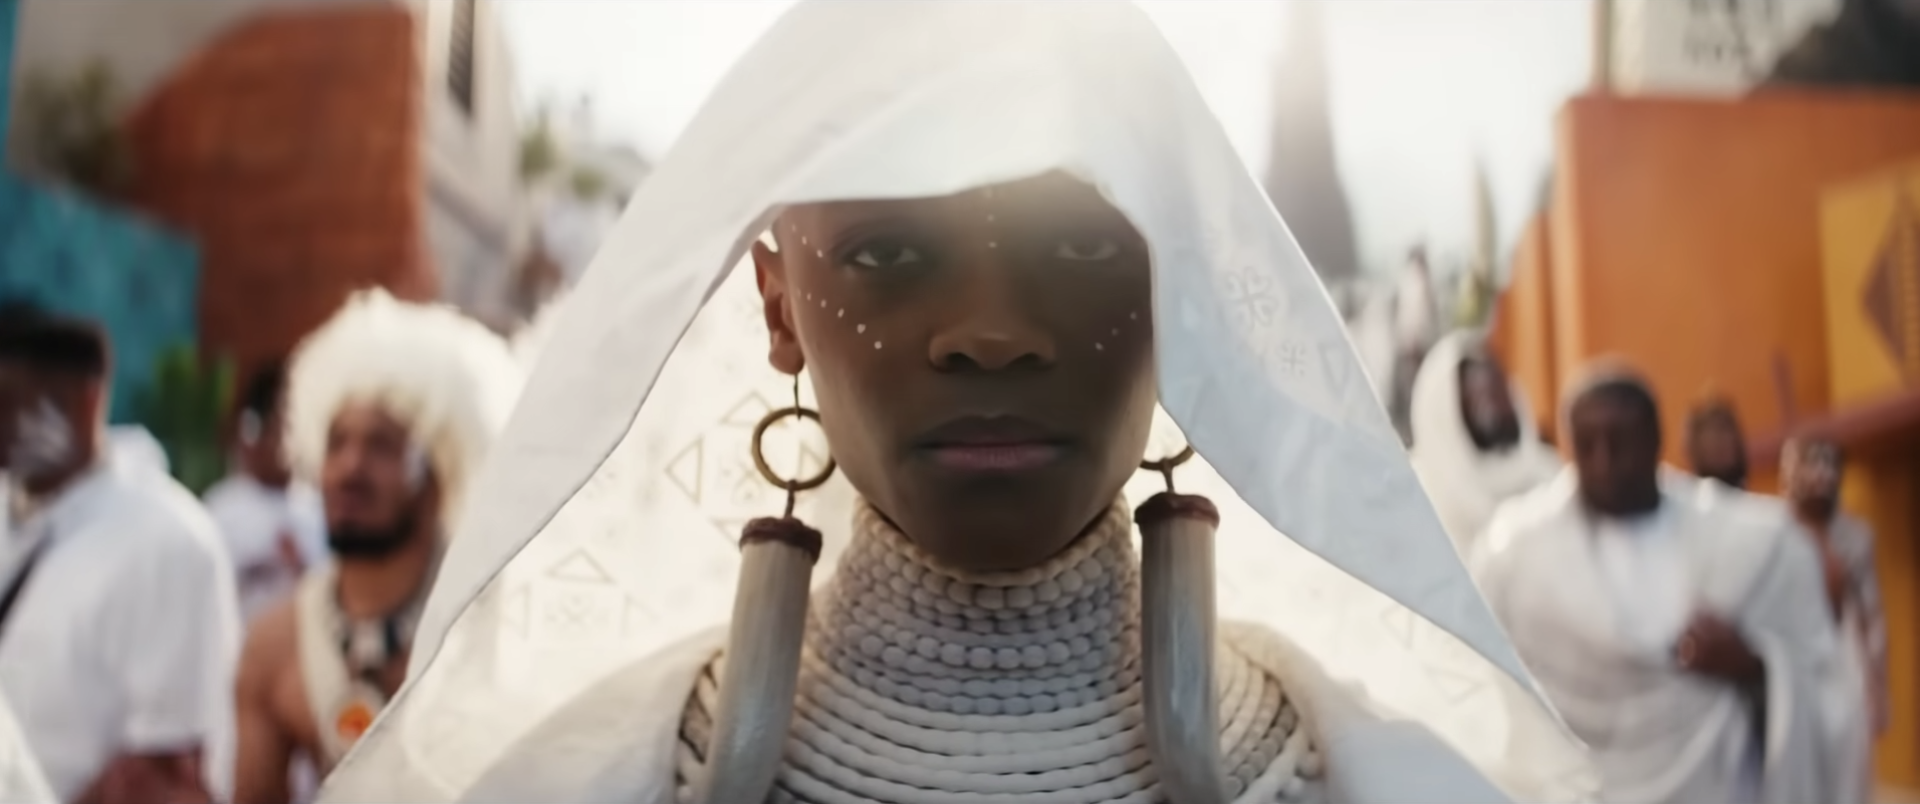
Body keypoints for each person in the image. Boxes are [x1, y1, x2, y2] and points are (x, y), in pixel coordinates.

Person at [317, 3, 1595, 802]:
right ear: (777, 309)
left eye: (1088, 249)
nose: (991, 332)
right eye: (885, 255)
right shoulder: (568, 781)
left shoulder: (1389, 779)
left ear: (1186, 299)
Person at [1476, 365, 1843, 804]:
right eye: (1587, 444)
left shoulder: (1747, 549)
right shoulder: (1516, 558)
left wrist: (1752, 664)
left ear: (1655, 438)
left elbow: (1826, 686)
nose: (1604, 461)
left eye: (1620, 441)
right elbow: (1485, 696)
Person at [230, 290, 523, 804]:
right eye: (337, 443)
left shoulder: (494, 631)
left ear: (436, 478)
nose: (349, 467)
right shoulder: (272, 648)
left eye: (382, 445)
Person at [0, 307, 240, 803]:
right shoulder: (13, 507)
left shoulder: (168, 541)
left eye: (9, 405)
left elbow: (167, 773)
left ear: (86, 404)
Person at [1781, 435, 1883, 804]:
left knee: (1846, 777)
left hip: (1844, 668)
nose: (1819, 477)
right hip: (1786, 670)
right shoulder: (1770, 532)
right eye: (1809, 466)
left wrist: (1877, 689)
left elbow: (1871, 617)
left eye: (1827, 467)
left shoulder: (1855, 537)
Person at [1408, 329, 1560, 555]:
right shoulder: (1415, 510)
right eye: (1476, 390)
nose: (1494, 399)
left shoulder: (1550, 481)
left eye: (1496, 382)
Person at [204, 361, 329, 627]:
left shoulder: (319, 510)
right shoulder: (220, 511)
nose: (292, 440)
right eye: (283, 425)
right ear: (255, 430)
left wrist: (299, 566)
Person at [1686, 397, 1749, 491]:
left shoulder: (1752, 502)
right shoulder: (1687, 500)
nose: (1719, 440)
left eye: (1723, 429)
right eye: (1710, 431)